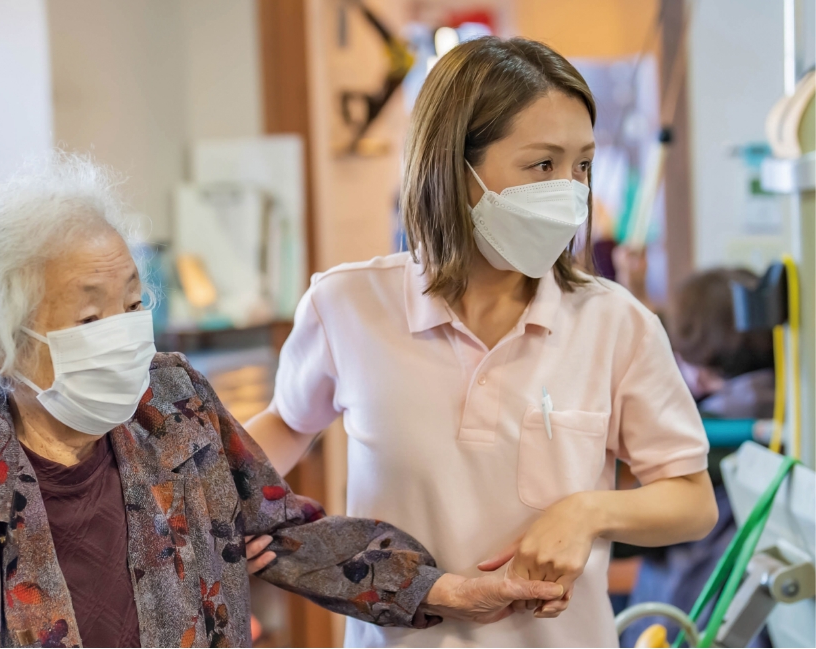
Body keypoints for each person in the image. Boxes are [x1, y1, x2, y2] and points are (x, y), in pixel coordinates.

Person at [0, 156, 565, 648]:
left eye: (131, 302)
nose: (125, 335)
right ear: (5, 346)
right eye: (90, 318)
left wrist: (443, 587)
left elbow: (286, 531)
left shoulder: (173, 403)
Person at [246, 36, 718, 647]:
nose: (570, 191)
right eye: (541, 165)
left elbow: (692, 500)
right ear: (454, 167)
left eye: (582, 165)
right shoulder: (347, 306)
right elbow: (287, 422)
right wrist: (213, 503)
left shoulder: (614, 324)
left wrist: (588, 511)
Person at [621, 268, 775, 646]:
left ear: (701, 368)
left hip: (684, 616)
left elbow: (631, 537)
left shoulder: (709, 436)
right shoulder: (781, 404)